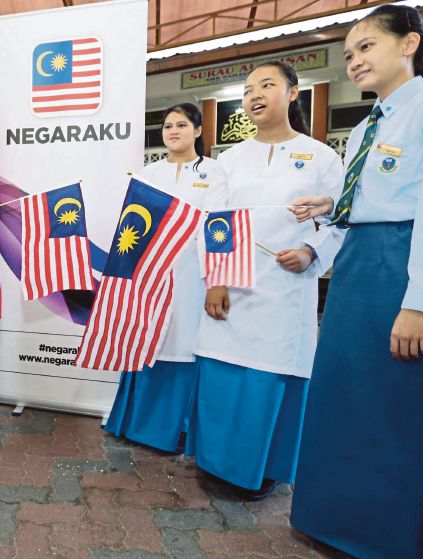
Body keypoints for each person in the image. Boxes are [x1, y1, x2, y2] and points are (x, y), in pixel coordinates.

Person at [289, 6, 423, 557]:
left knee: (408, 404)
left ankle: (415, 540)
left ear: (409, 44)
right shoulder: (368, 126)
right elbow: (381, 197)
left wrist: (420, 301)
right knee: (350, 398)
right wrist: (333, 204)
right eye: (348, 54)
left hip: (404, 266)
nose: (354, 61)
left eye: (367, 46)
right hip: (358, 265)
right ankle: (345, 524)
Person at [185, 61, 344, 500]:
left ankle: (261, 469)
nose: (254, 95)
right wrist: (215, 279)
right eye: (248, 89)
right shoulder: (229, 159)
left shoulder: (323, 157)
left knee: (269, 376)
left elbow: (341, 221)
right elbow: (212, 223)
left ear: (293, 93)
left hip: (285, 288)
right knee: (223, 371)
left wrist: (312, 253)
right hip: (232, 287)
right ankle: (214, 462)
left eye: (267, 85)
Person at [104, 103, 220, 452]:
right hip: (150, 272)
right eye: (168, 125)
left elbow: (216, 222)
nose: (173, 131)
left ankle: (176, 430)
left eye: (182, 125)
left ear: (198, 131)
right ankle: (136, 423)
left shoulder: (215, 172)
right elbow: (132, 223)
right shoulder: (148, 174)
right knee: (148, 336)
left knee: (183, 341)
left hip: (192, 273)